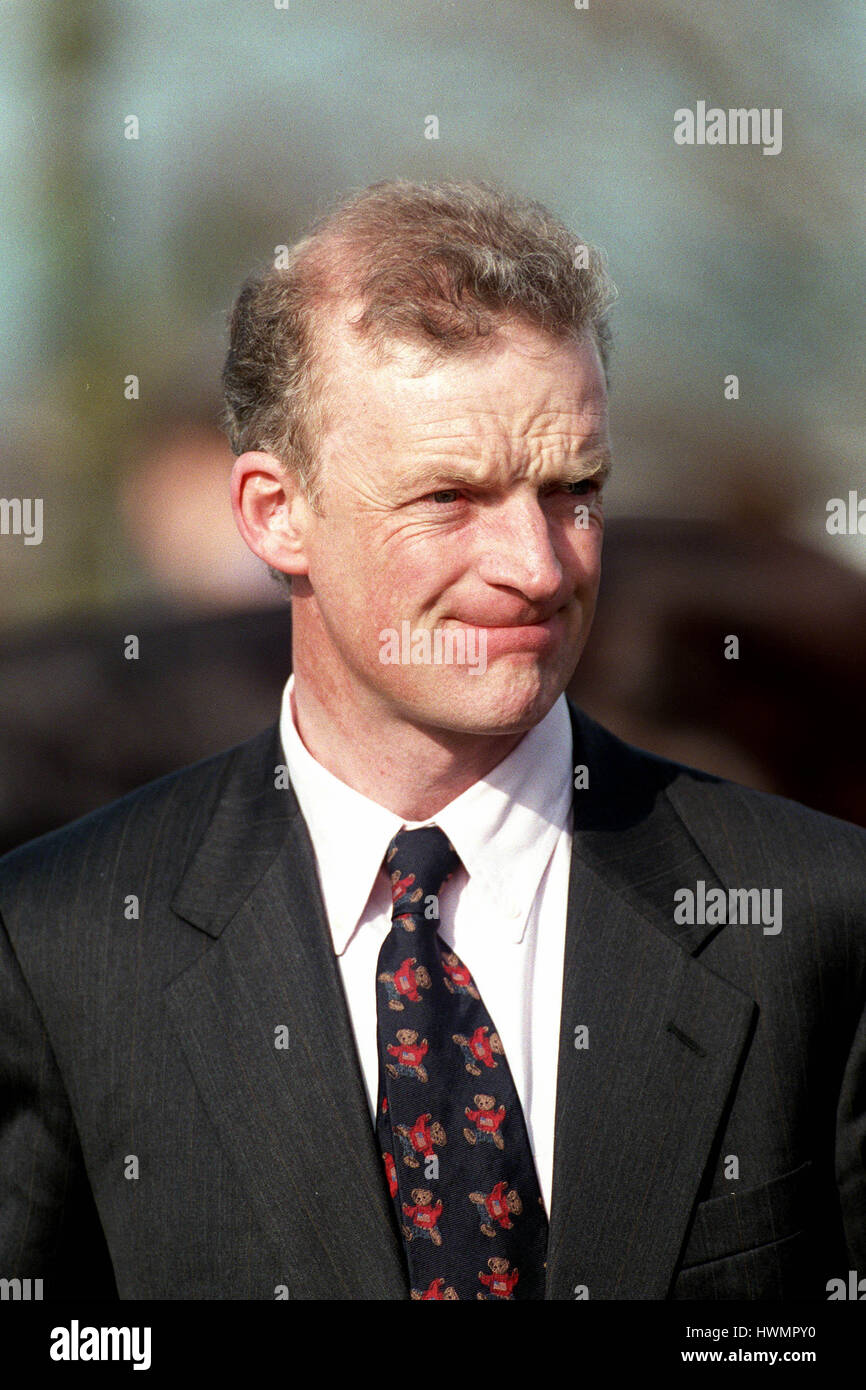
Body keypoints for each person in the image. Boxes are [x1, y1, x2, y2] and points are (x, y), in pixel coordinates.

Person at [0, 179, 863, 1301]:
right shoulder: (60, 945)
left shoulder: (814, 916)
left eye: (573, 490)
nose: (539, 566)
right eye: (450, 498)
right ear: (275, 514)